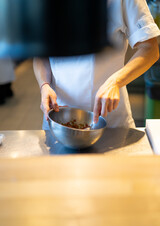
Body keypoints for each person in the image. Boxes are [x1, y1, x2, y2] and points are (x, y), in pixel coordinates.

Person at [33, 0, 160, 130]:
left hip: (110, 120)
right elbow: (40, 52)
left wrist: (115, 82)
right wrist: (44, 85)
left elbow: (150, 49)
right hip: (59, 118)